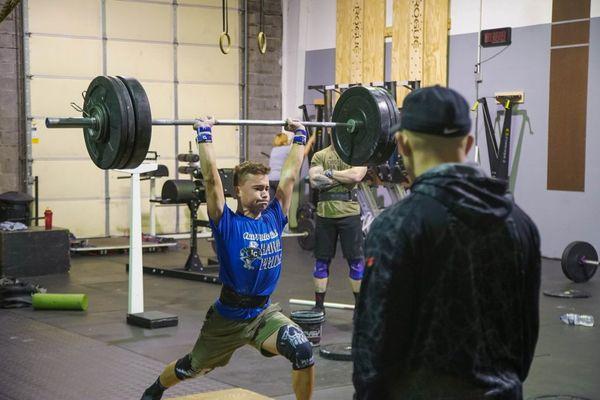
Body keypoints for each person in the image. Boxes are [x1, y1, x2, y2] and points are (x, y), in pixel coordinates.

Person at [352, 86, 541, 399]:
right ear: (467, 144)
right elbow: (524, 342)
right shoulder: (520, 223)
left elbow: (375, 347)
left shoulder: (396, 226)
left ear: (402, 144)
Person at [141, 118, 314, 400]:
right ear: (238, 190)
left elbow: (290, 176)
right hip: (227, 320)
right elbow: (210, 178)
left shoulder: (274, 217)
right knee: (192, 368)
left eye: (266, 188)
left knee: (303, 350)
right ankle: (156, 389)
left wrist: (300, 135)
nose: (265, 192)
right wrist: (204, 134)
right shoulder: (226, 223)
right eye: (257, 188)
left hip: (263, 315)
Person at [308, 142, 367, 313]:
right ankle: (319, 307)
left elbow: (356, 176)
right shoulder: (320, 155)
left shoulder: (358, 153)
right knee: (321, 262)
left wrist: (330, 173)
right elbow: (315, 181)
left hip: (350, 213)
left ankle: (360, 309)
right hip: (325, 214)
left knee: (356, 262)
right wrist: (343, 177)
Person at [269, 130, 316, 200]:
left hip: (271, 179)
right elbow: (302, 154)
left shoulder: (274, 150)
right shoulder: (287, 149)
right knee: (283, 204)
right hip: (281, 180)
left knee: (272, 204)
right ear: (285, 140)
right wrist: (310, 142)